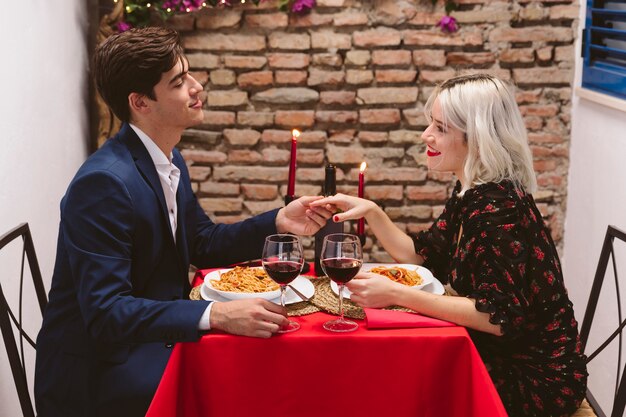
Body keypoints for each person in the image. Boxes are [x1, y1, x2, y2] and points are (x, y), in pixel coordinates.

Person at [34, 27, 331, 417]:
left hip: (145, 343)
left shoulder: (167, 158)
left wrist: (280, 220)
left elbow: (202, 241)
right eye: (178, 81)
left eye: (189, 74)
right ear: (141, 102)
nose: (196, 86)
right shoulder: (103, 183)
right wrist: (216, 315)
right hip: (100, 375)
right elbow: (107, 313)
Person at [311, 74, 587, 417]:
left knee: (391, 382)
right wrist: (374, 212)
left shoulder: (497, 210)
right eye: (431, 123)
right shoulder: (473, 191)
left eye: (440, 128)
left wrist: (397, 295)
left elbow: (499, 318)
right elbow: (422, 256)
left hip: (534, 380)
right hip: (496, 353)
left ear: (477, 139)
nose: (426, 135)